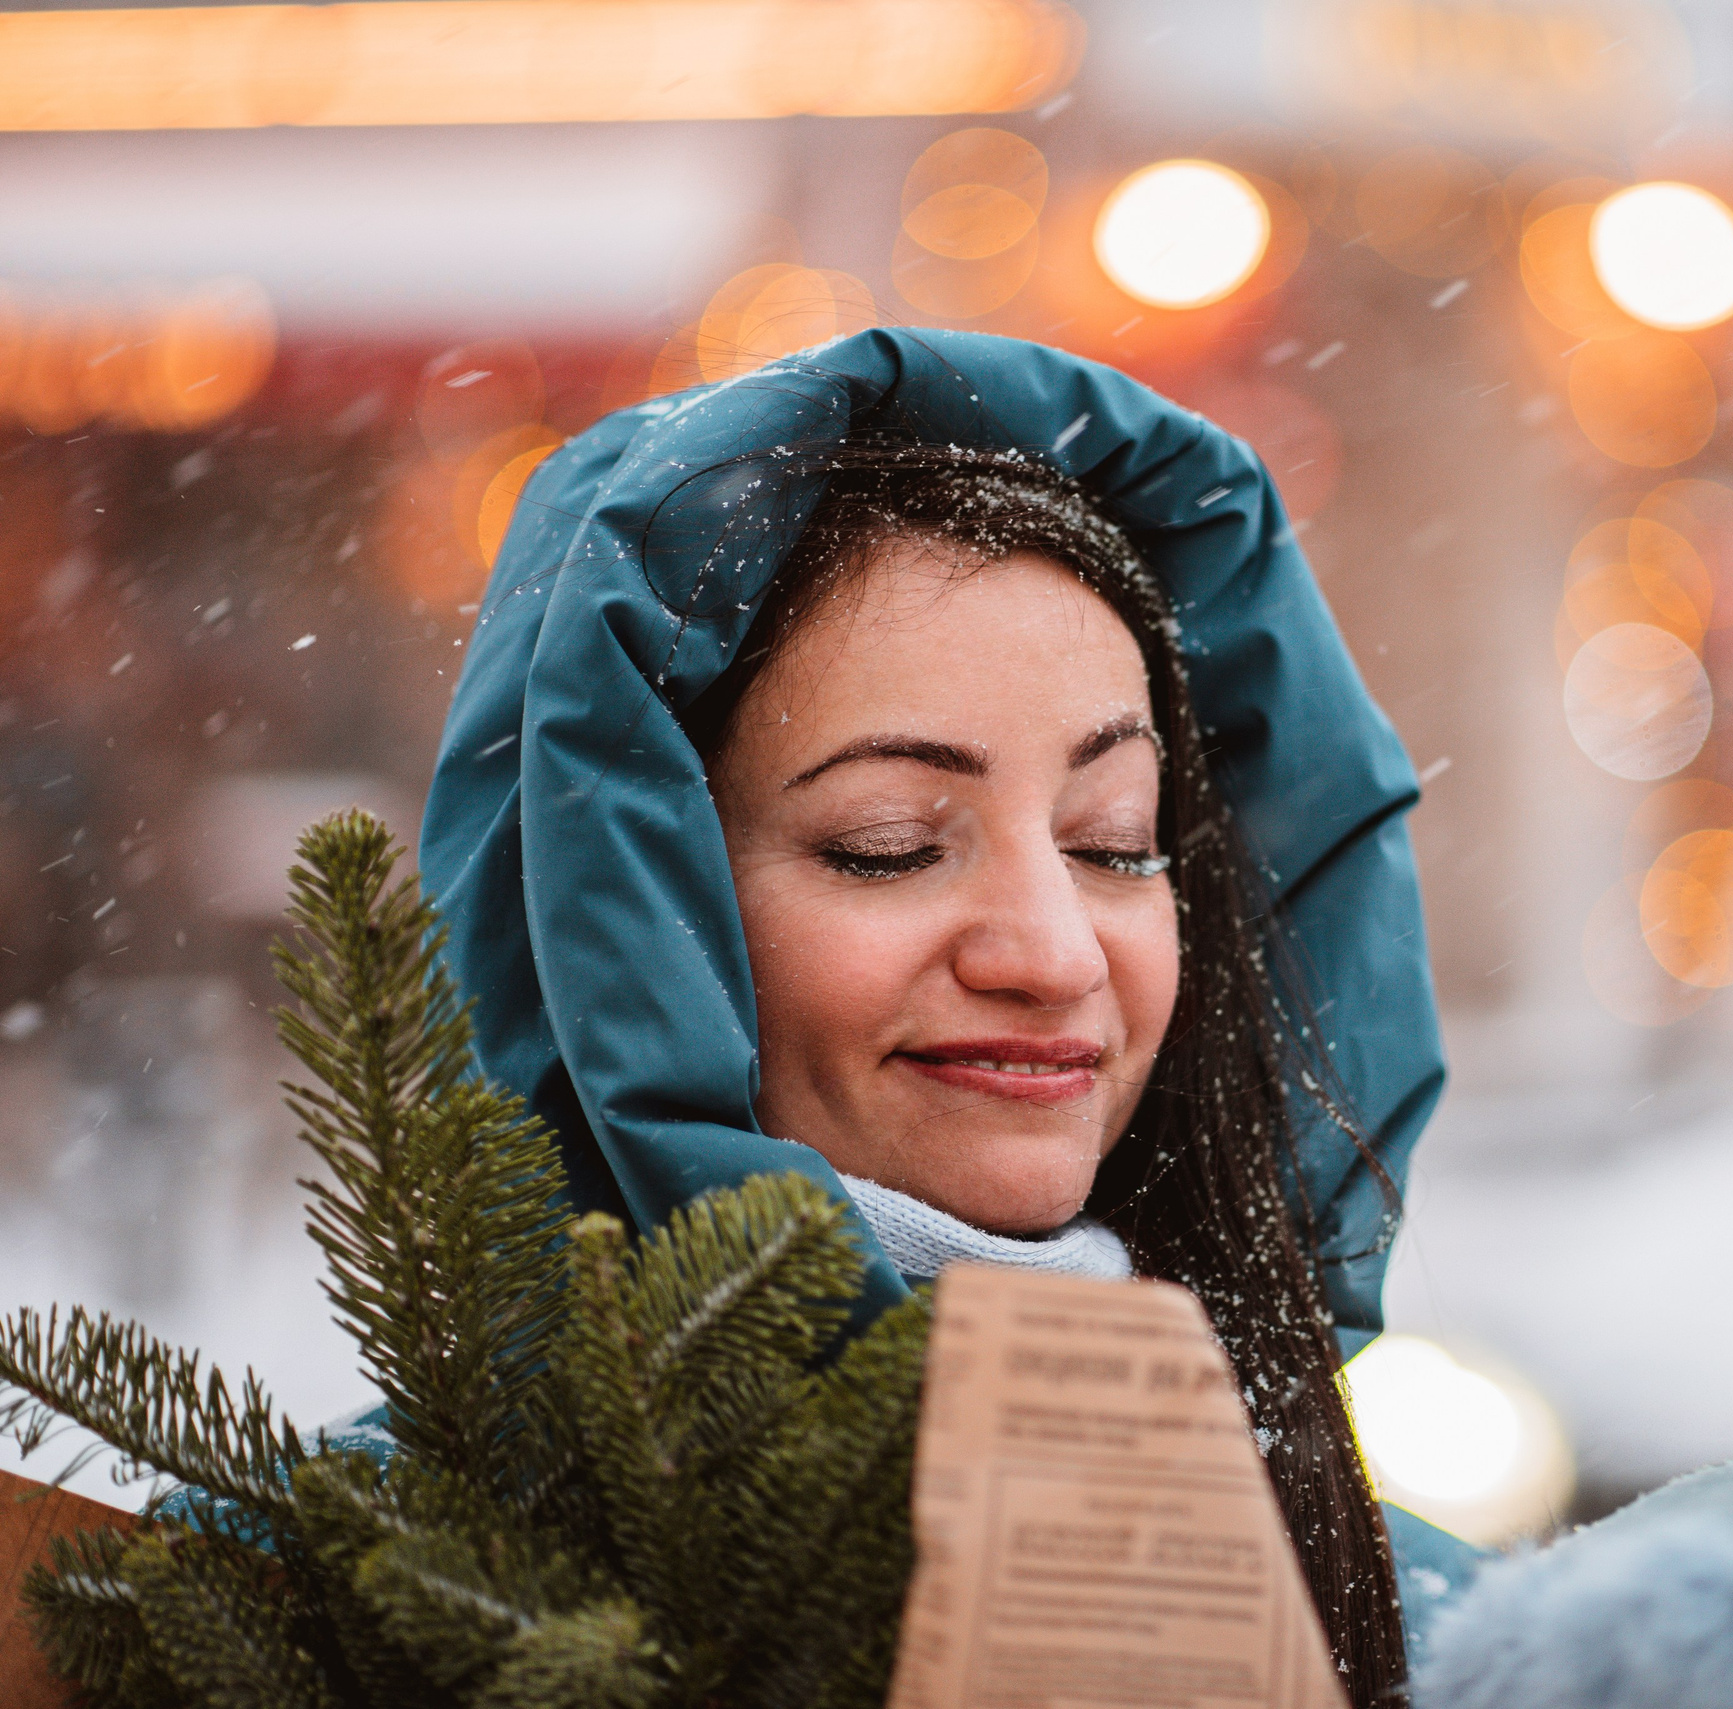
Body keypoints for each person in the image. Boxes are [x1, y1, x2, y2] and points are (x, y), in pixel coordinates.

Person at [420, 330, 1474, 1705]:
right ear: (621, 920)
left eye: (1113, 840)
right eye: (886, 843)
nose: (1051, 953)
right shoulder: (308, 1605)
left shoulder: (1484, 1647)